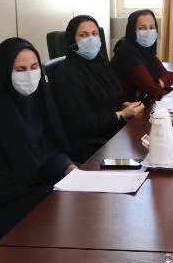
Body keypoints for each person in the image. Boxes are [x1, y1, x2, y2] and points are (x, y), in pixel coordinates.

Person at [0, 37, 77, 262]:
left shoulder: (36, 104)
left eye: (34, 67)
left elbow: (46, 149)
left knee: (72, 209)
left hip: (27, 193)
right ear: (5, 75)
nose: (30, 75)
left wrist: (67, 167)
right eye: (20, 70)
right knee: (61, 220)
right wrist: (43, 190)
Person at [52, 15, 144, 161]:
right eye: (83, 35)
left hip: (114, 133)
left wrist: (125, 105)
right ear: (72, 41)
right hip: (93, 146)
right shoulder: (67, 75)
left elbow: (113, 97)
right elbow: (82, 123)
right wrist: (120, 114)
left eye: (95, 34)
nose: (91, 39)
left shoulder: (101, 63)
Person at [110, 9, 173, 102]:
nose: (148, 32)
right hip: (124, 105)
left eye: (152, 27)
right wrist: (161, 82)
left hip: (139, 101)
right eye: (142, 28)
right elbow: (151, 88)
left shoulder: (146, 50)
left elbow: (169, 76)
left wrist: (158, 83)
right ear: (133, 31)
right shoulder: (126, 51)